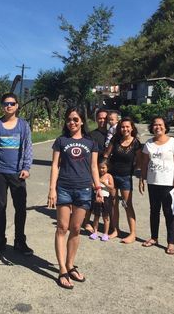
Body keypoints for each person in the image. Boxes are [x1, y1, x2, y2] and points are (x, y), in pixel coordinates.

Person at [48, 106, 103, 289]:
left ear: (81, 121)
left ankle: (71, 265)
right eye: (69, 119)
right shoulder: (61, 141)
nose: (72, 122)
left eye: (75, 119)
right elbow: (55, 165)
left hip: (83, 189)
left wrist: (98, 188)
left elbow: (94, 167)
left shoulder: (90, 142)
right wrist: (52, 189)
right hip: (63, 187)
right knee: (62, 227)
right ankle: (62, 269)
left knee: (76, 228)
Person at [0, 93, 34, 256]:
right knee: (1, 207)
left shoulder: (23, 125)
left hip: (17, 173)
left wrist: (26, 167)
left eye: (12, 103)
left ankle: (20, 241)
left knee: (20, 208)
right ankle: (0, 240)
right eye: (6, 103)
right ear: (2, 106)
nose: (9, 106)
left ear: (17, 106)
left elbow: (28, 147)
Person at [139, 116, 174, 255]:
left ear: (165, 127)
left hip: (168, 183)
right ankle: (154, 237)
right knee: (154, 211)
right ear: (152, 127)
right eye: (155, 125)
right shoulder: (148, 144)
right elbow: (144, 163)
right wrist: (142, 178)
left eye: (160, 124)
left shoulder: (173, 142)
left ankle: (171, 243)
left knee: (169, 213)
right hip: (153, 182)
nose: (158, 127)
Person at [104, 117, 142, 243]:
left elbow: (139, 162)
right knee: (113, 203)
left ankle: (132, 234)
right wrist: (104, 170)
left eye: (127, 126)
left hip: (126, 177)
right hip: (112, 176)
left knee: (127, 205)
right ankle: (115, 230)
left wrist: (131, 170)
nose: (125, 129)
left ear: (132, 128)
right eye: (122, 127)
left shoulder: (136, 143)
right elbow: (106, 155)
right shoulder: (115, 140)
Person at [83, 108, 108, 233]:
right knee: (90, 198)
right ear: (96, 119)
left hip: (108, 171)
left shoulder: (112, 134)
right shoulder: (91, 135)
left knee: (108, 199)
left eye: (105, 118)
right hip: (94, 170)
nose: (102, 120)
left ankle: (108, 225)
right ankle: (86, 221)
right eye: (100, 118)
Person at [89, 158, 114, 241]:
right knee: (96, 216)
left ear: (108, 168)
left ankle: (105, 233)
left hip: (106, 198)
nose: (101, 169)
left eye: (103, 168)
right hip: (97, 198)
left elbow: (112, 187)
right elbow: (92, 184)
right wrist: (95, 185)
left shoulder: (109, 176)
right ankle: (95, 232)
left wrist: (104, 183)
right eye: (100, 167)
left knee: (106, 217)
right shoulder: (96, 176)